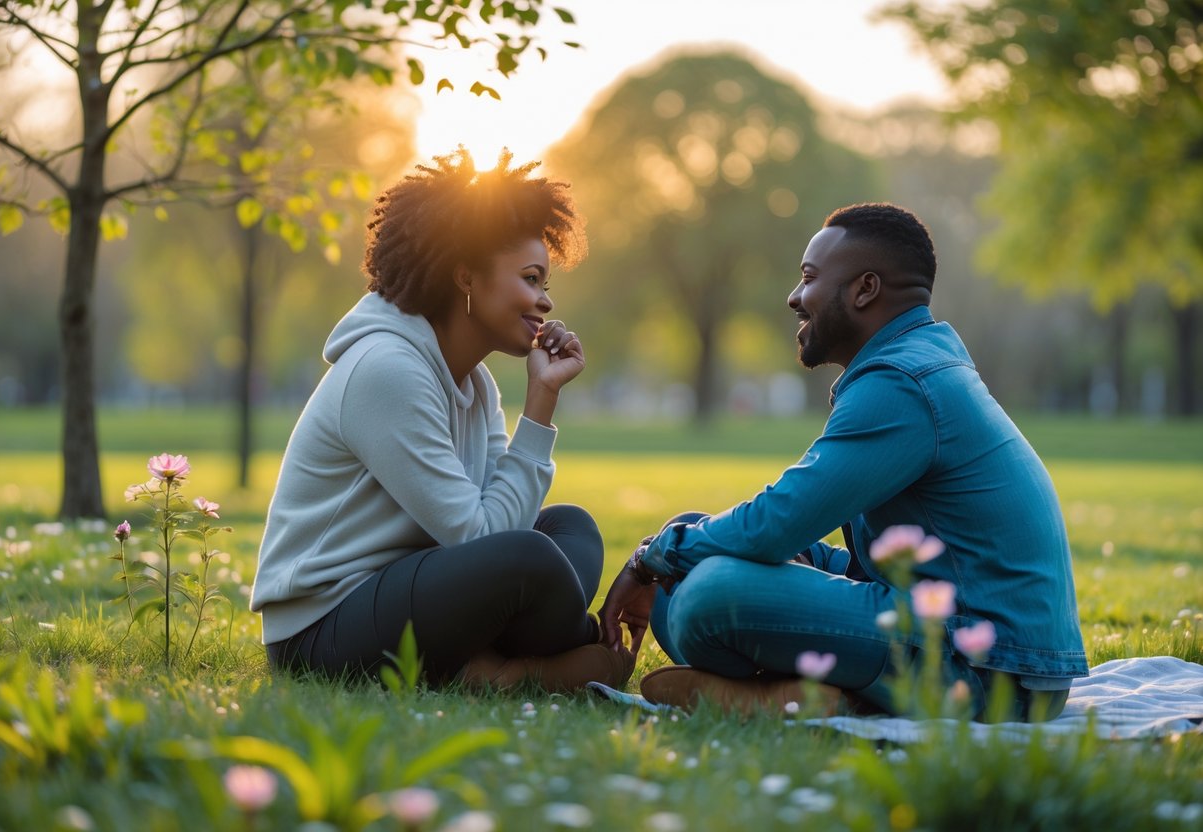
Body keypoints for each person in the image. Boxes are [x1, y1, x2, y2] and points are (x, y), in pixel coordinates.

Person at [599, 202, 1088, 721]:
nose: (794, 297)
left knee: (708, 593)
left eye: (808, 278)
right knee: (689, 541)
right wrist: (674, 547)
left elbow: (778, 523)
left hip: (994, 671)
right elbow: (813, 536)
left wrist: (650, 558)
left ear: (865, 289)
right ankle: (815, 692)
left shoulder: (903, 384)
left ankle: (809, 696)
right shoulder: (914, 365)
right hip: (944, 624)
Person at [251, 147, 634, 692]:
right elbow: (483, 540)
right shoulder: (387, 370)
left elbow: (503, 524)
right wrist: (539, 411)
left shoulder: (474, 385)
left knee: (569, 528)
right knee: (530, 557)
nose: (544, 302)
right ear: (466, 277)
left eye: (545, 284)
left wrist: (542, 394)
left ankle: (495, 668)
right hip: (321, 631)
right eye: (530, 278)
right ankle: (553, 657)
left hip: (408, 591)